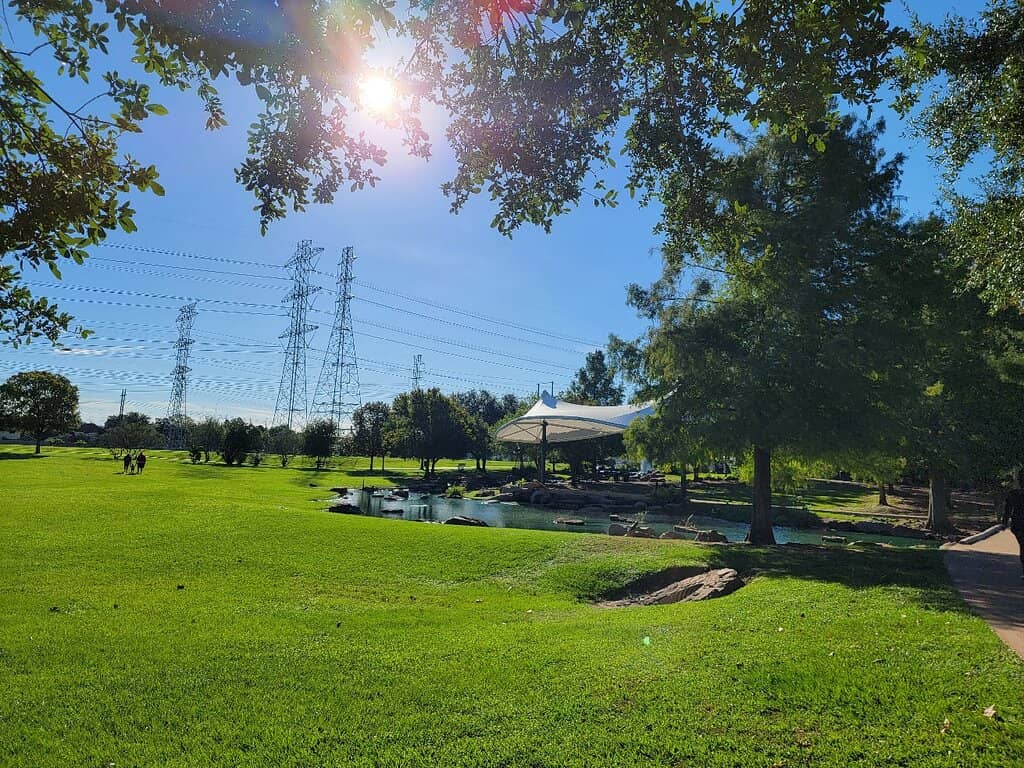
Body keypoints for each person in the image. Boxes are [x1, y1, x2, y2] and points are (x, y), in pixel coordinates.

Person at [1002, 469, 1024, 579]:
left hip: (1018, 524)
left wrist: (1004, 523)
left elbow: (1008, 509)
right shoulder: (1014, 494)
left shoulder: (1013, 494)